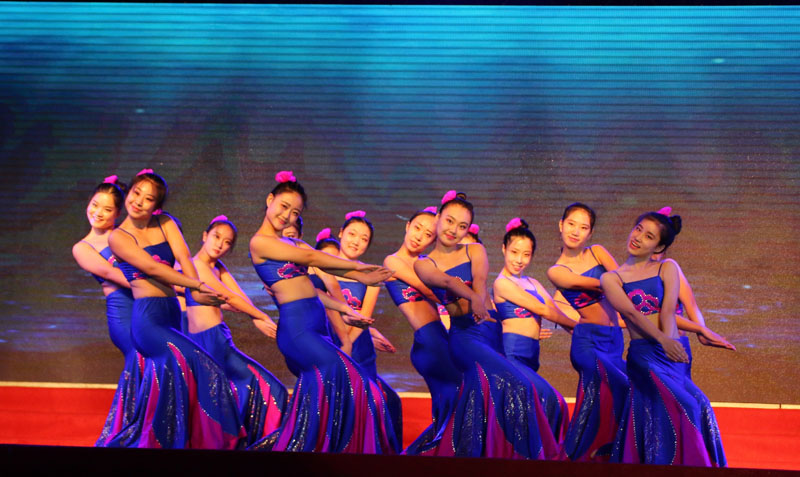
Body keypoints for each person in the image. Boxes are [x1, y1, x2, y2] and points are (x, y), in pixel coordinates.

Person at [249, 171, 399, 453]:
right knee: (349, 378)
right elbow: (312, 257)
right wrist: (359, 270)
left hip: (316, 329)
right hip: (298, 331)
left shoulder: (293, 243)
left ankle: (322, 450)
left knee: (342, 389)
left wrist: (350, 298)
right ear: (270, 200)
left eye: (295, 213)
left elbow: (322, 274)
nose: (287, 216)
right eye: (284, 206)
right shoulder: (260, 243)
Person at [413, 191, 562, 459]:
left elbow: (480, 281)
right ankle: (523, 457)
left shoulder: (475, 249)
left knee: (494, 396)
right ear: (438, 217)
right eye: (449, 221)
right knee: (518, 384)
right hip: (465, 336)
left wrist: (479, 299)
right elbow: (447, 282)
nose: (453, 230)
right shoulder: (424, 263)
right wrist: (473, 299)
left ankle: (483, 455)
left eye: (462, 226)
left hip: (491, 333)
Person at [106, 169, 244, 449]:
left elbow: (184, 257)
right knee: (204, 366)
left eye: (148, 199)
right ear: (128, 193)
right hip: (148, 320)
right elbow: (153, 268)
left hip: (170, 314)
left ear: (157, 206)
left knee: (176, 379)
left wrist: (196, 292)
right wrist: (196, 284)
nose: (139, 201)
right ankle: (215, 441)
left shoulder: (166, 223)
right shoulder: (118, 237)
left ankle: (177, 440)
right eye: (136, 193)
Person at [601, 210, 727, 466]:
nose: (638, 237)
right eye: (638, 229)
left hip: (671, 353)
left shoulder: (667, 267)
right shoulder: (611, 278)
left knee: (701, 405)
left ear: (658, 247)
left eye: (648, 236)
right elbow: (631, 314)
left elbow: (668, 311)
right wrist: (663, 340)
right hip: (644, 356)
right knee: (686, 406)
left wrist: (695, 332)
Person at [185, 215, 288, 447]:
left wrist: (255, 316)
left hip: (220, 339)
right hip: (206, 343)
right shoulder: (197, 265)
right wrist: (260, 316)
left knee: (267, 388)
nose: (220, 245)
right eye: (216, 237)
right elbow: (228, 297)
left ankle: (257, 442)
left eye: (227, 242)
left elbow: (238, 296)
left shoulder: (217, 267)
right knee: (221, 400)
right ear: (205, 236)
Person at [546, 202, 628, 462]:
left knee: (610, 400)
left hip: (614, 340)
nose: (575, 231)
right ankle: (575, 458)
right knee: (611, 390)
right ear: (561, 225)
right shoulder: (557, 271)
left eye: (583, 227)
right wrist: (617, 283)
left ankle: (608, 455)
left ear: (590, 233)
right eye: (571, 224)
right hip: (588, 342)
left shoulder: (597, 252)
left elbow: (623, 283)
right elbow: (608, 283)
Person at [383, 206, 462, 454]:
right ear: (407, 226)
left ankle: (428, 455)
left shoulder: (426, 263)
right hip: (429, 341)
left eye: (428, 234)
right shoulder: (393, 261)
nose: (419, 236)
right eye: (417, 228)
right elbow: (428, 290)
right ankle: (432, 452)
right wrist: (466, 304)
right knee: (457, 396)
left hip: (438, 337)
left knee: (449, 402)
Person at [492, 217, 576, 444]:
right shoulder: (502, 283)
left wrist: (579, 332)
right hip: (512, 356)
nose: (519, 260)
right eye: (514, 252)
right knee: (551, 401)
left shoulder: (533, 283)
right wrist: (578, 328)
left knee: (530, 410)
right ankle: (544, 453)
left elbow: (555, 310)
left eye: (526, 254)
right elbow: (543, 310)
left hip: (531, 357)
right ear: (503, 249)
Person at [72, 175, 142, 446]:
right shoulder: (83, 248)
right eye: (94, 204)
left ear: (118, 213)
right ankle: (126, 434)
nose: (98, 212)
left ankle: (155, 430)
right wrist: (167, 287)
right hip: (123, 310)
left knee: (158, 364)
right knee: (138, 360)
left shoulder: (126, 236)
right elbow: (113, 274)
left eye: (107, 208)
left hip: (147, 305)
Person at [332, 210, 402, 451]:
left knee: (365, 406)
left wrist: (347, 346)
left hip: (358, 349)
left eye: (363, 239)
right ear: (340, 233)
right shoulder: (321, 267)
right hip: (329, 343)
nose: (356, 241)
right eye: (352, 234)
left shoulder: (371, 276)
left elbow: (363, 318)